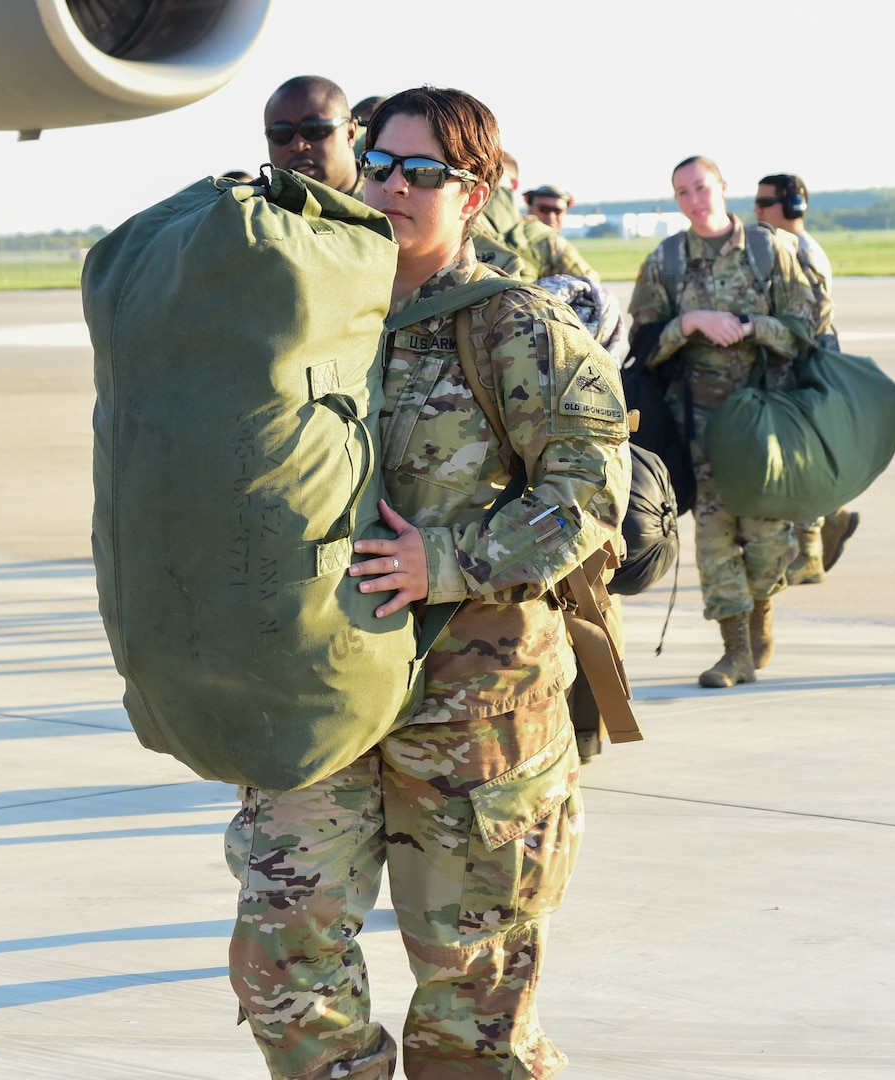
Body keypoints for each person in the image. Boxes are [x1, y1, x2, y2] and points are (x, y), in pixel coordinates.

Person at [226, 85, 630, 1080]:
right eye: (380, 166)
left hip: (476, 716)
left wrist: (442, 562)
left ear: (475, 190)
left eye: (423, 172)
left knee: (473, 1011)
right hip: (320, 696)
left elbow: (590, 491)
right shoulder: (318, 318)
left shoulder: (515, 330)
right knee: (286, 959)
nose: (393, 187)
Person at [627, 155, 815, 688]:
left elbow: (804, 327)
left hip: (764, 421)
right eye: (682, 192)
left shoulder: (769, 251)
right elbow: (642, 343)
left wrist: (754, 326)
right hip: (698, 424)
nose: (695, 200)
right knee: (713, 537)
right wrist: (687, 323)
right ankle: (734, 649)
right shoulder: (665, 261)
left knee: (766, 537)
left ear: (723, 188)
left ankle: (762, 607)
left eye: (702, 188)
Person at [754, 173, 859, 586]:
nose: (757, 210)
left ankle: (811, 553)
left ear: (792, 205)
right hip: (808, 362)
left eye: (764, 203)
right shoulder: (797, 246)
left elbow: (805, 321)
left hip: (803, 365)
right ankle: (832, 517)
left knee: (799, 458)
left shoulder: (794, 249)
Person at [263, 75, 361, 197]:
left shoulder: (387, 203)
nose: (298, 146)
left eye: (314, 129)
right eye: (281, 133)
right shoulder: (251, 212)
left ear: (350, 133)